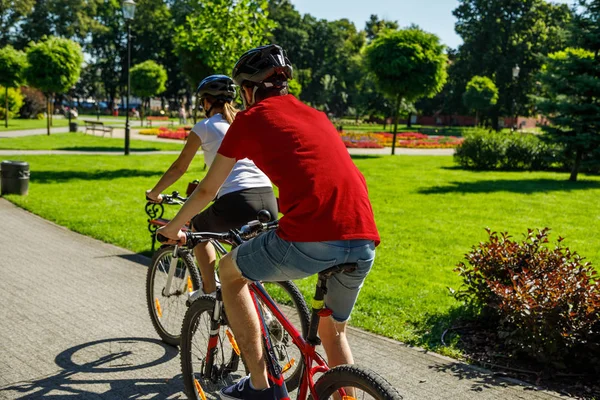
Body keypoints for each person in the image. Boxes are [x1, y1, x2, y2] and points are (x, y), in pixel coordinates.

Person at [157, 45, 379, 400]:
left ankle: (260, 386)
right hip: (364, 238)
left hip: (311, 236)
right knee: (332, 332)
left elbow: (206, 191)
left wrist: (172, 229)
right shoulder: (317, 116)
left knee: (230, 272)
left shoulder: (250, 119)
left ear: (248, 90)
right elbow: (320, 176)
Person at [147, 75, 277, 295]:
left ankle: (207, 289)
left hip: (238, 200)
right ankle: (265, 314)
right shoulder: (243, 122)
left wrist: (155, 192)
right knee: (245, 264)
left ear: (206, 102)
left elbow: (179, 167)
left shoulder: (205, 126)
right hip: (267, 198)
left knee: (197, 227)